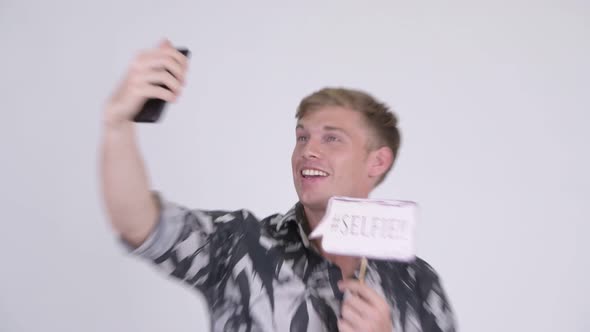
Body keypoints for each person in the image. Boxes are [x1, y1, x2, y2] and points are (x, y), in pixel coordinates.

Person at [100, 40, 457, 332]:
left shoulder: (418, 284)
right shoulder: (241, 244)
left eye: (332, 139)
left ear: (377, 162)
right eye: (302, 138)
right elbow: (140, 224)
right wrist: (118, 123)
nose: (308, 151)